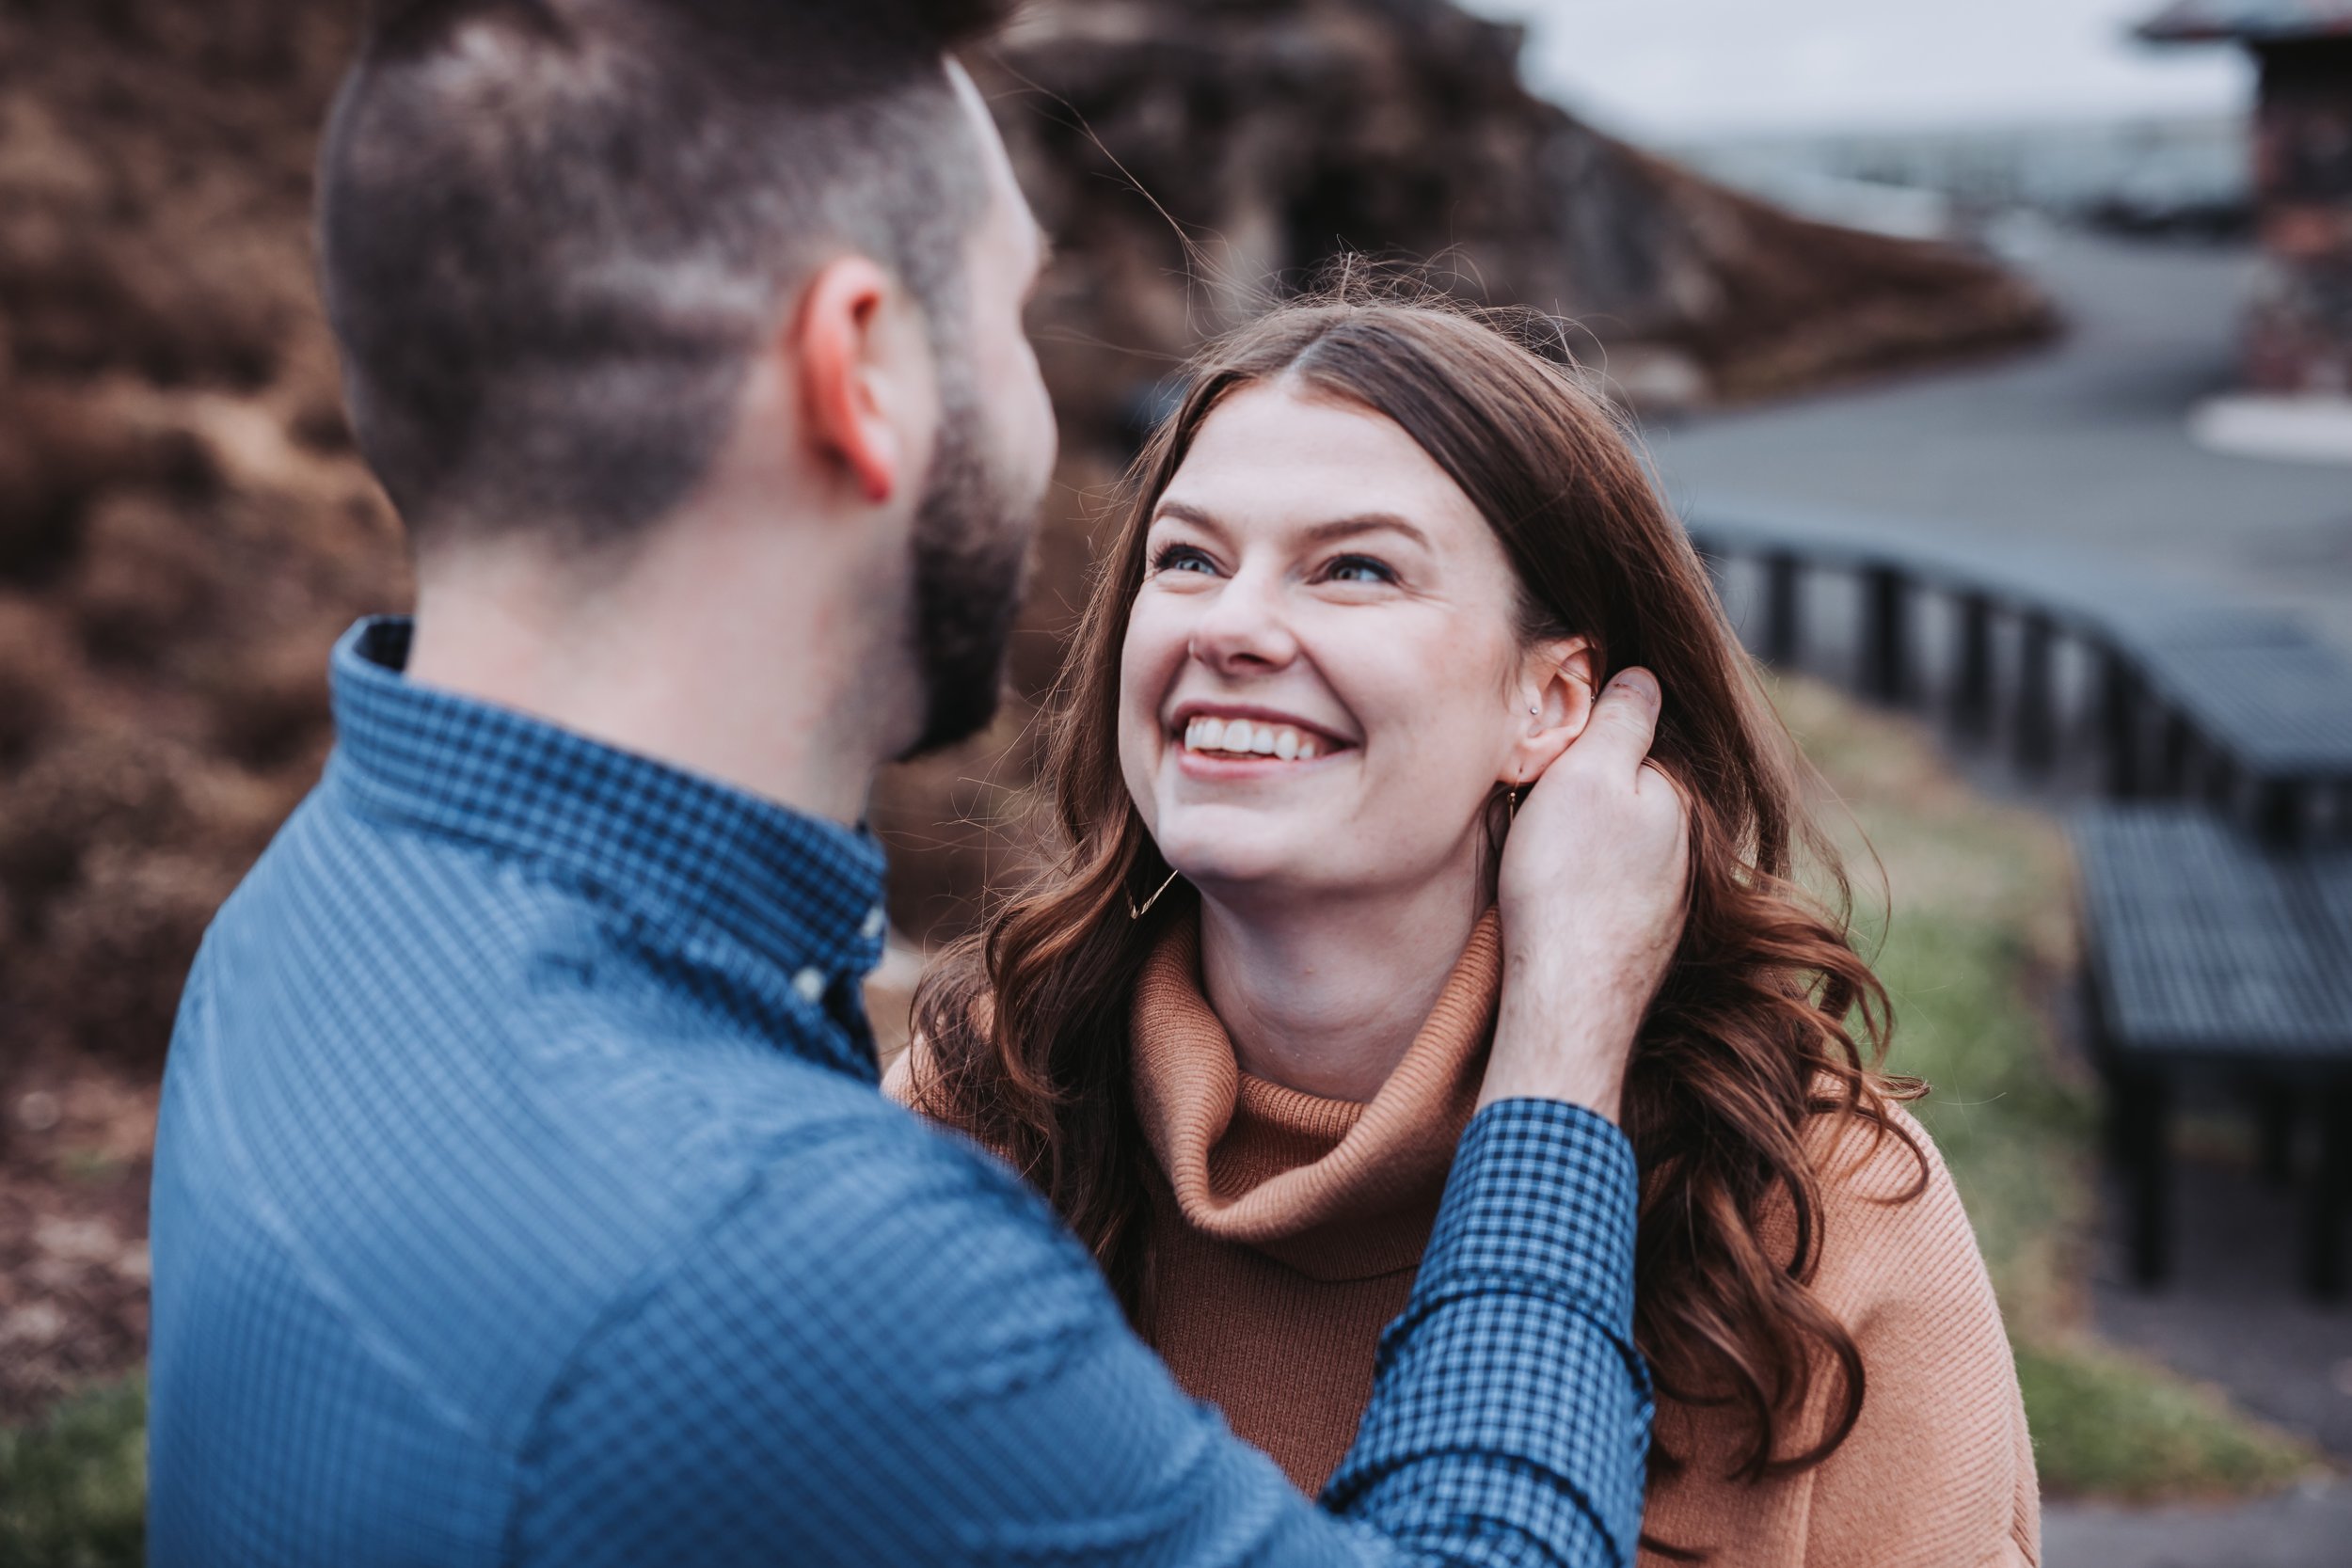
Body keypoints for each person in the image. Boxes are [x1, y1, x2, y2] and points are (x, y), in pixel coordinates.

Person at [144, 4, 1687, 1565]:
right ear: (857, 370)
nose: (1038, 423)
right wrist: (1564, 1037)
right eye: (1007, 318)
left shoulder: (302, 921)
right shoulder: (782, 1260)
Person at [893, 297, 2042, 1568]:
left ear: (1550, 702)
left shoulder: (1807, 1193)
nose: (1227, 628)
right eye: (1188, 560)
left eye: (1356, 568)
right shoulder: (982, 1109)